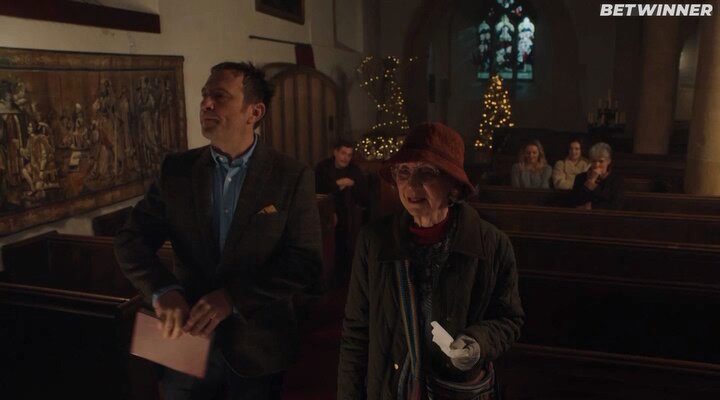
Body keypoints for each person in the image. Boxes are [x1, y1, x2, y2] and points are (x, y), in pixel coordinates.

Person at [114, 61, 323, 400]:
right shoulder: (177, 170)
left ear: (254, 112)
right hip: (184, 342)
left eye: (220, 96)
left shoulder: (290, 175)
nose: (206, 104)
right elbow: (130, 240)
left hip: (257, 345)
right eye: (204, 96)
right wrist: (162, 290)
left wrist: (232, 298)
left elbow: (306, 262)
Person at [338, 122, 524, 400]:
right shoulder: (374, 241)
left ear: (454, 186)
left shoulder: (492, 245)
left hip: (455, 390)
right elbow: (356, 332)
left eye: (426, 172)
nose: (412, 185)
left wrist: (477, 343)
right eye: (404, 172)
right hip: (391, 389)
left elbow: (509, 319)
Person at [314, 140, 368, 284]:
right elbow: (317, 190)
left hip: (347, 213)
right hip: (325, 212)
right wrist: (337, 184)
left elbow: (363, 193)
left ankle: (345, 277)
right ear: (335, 152)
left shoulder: (354, 169)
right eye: (343, 153)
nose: (346, 158)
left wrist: (353, 183)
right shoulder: (323, 167)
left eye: (349, 155)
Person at [570, 142, 624, 210]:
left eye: (601, 161)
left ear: (608, 161)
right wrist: (591, 180)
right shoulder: (580, 178)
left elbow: (616, 205)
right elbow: (575, 201)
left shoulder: (617, 180)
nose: (596, 165)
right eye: (593, 161)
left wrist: (593, 207)